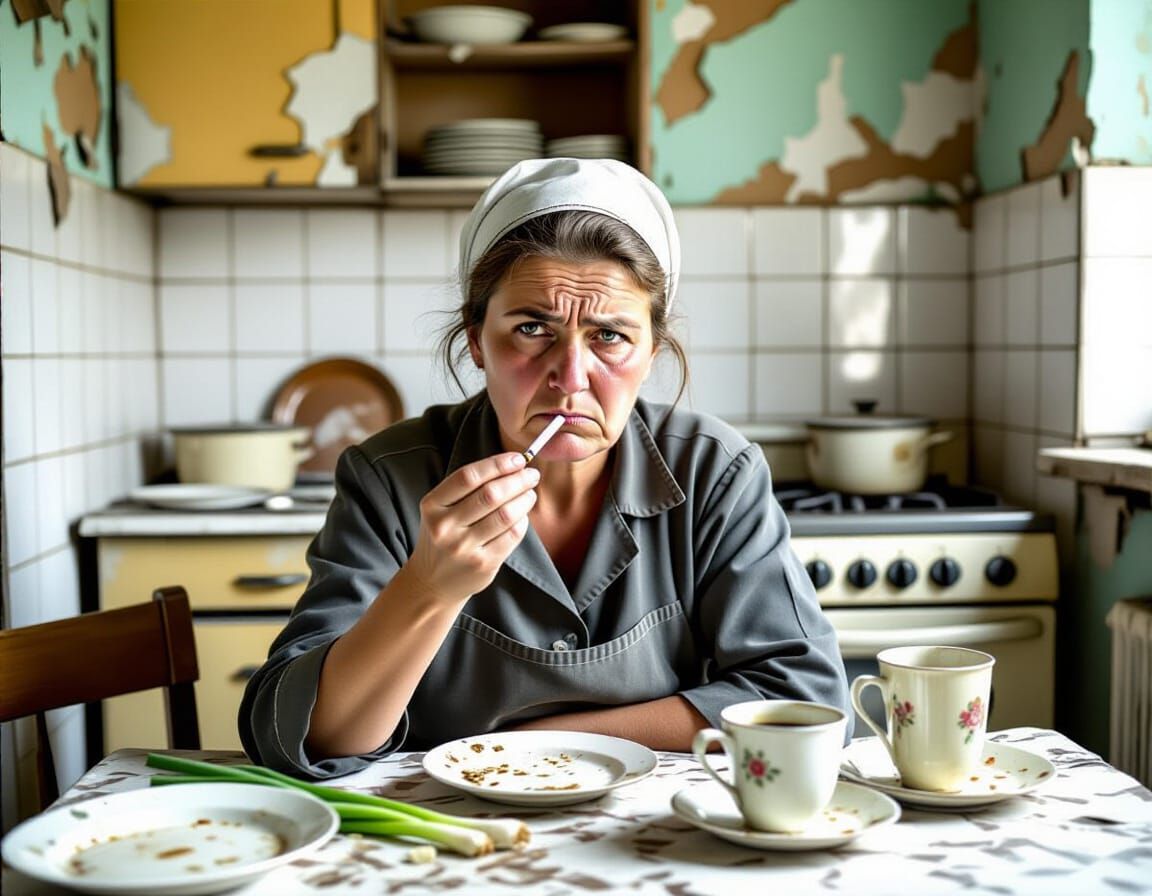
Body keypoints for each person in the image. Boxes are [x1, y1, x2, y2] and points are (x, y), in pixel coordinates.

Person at [239, 158, 849, 778]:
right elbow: (303, 737)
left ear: (652, 352)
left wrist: (541, 742)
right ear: (476, 340)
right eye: (532, 328)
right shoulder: (385, 476)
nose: (571, 379)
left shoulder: (716, 472)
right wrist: (427, 587)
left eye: (609, 336)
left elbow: (805, 700)